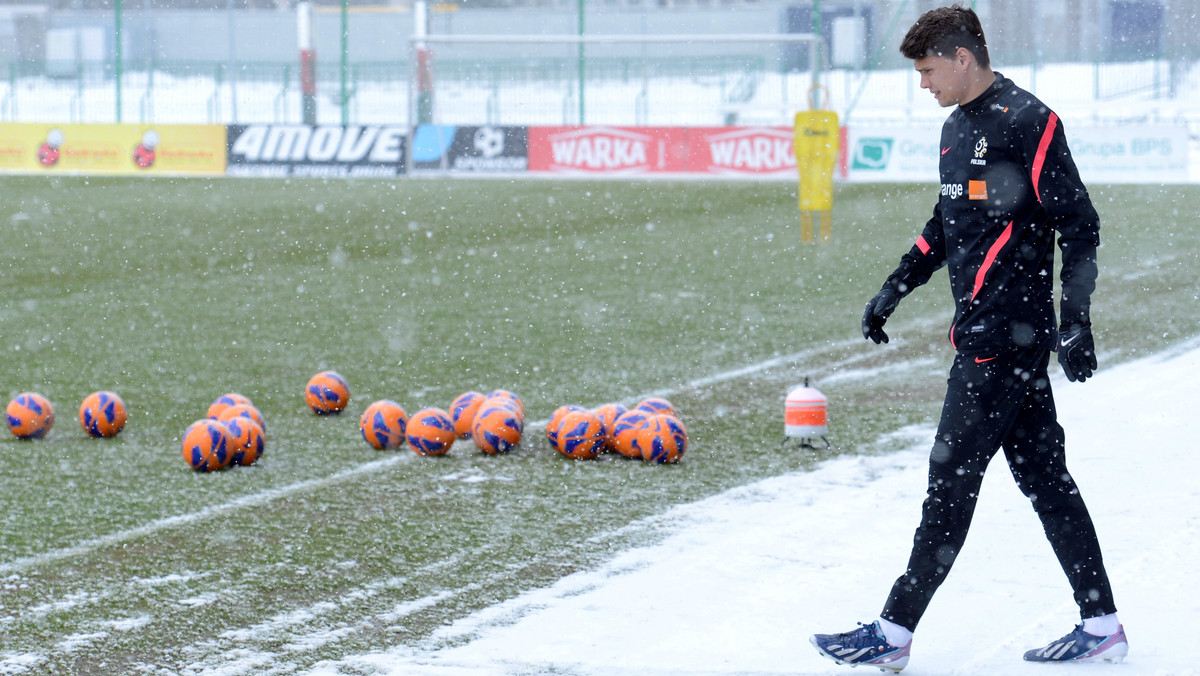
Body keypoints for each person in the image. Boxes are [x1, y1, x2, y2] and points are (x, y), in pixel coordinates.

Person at [809, 4, 1127, 671]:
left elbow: (1081, 226)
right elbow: (948, 219)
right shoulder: (956, 129)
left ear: (962, 58)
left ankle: (892, 634)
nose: (923, 84)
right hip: (988, 337)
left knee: (949, 484)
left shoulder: (1030, 122)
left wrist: (1076, 321)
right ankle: (1101, 625)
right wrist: (896, 287)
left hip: (1003, 343)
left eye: (927, 70)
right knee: (1047, 481)